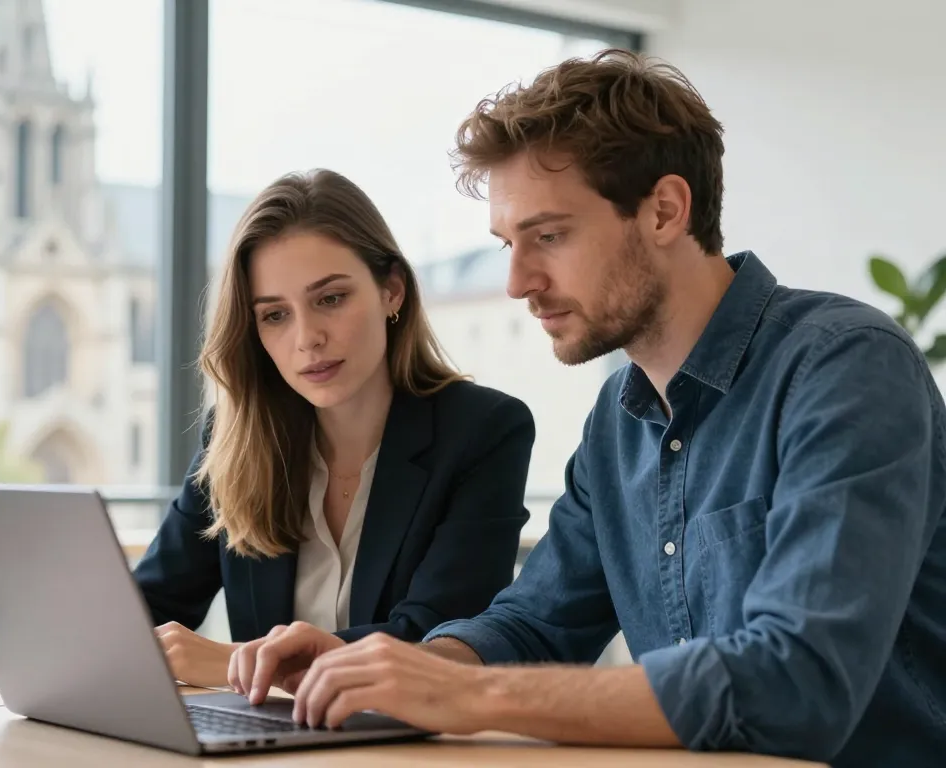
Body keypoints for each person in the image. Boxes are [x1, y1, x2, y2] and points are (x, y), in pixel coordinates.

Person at [225, 50, 946, 767]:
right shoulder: (619, 418)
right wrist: (390, 666)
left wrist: (468, 698)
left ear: (665, 210)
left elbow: (798, 682)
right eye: (508, 243)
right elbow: (534, 623)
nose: (517, 281)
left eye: (549, 236)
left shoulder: (845, 366)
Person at [133, 168, 535, 689]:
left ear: (392, 290)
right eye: (275, 315)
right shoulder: (234, 439)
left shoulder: (484, 432)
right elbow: (145, 609)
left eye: (330, 299)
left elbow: (437, 643)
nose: (308, 339)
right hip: (265, 750)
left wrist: (227, 663)